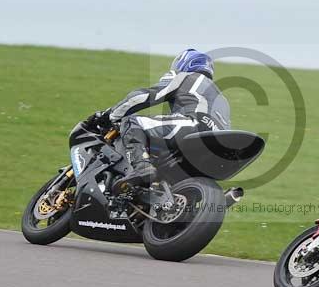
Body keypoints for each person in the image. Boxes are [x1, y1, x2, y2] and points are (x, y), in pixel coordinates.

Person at [84, 48, 230, 193]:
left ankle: (142, 167)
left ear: (184, 64)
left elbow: (144, 96)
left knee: (131, 122)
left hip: (193, 126)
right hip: (218, 143)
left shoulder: (186, 76)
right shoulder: (221, 98)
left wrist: (109, 115)